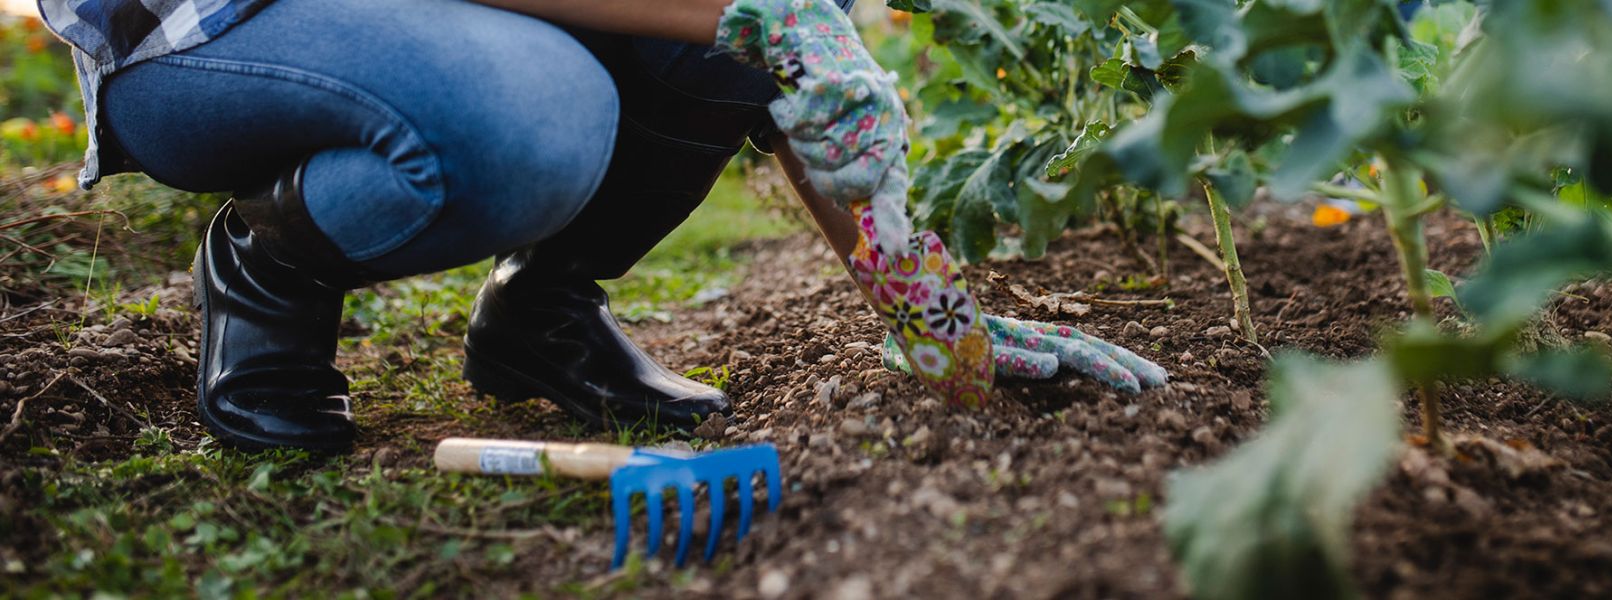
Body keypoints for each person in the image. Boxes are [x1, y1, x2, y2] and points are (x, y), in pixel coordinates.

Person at [37, 0, 1165, 453]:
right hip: (201, 43)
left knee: (720, 33)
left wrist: (931, 312)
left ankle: (542, 306)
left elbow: (766, 46)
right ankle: (267, 260)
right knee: (533, 115)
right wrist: (768, 17)